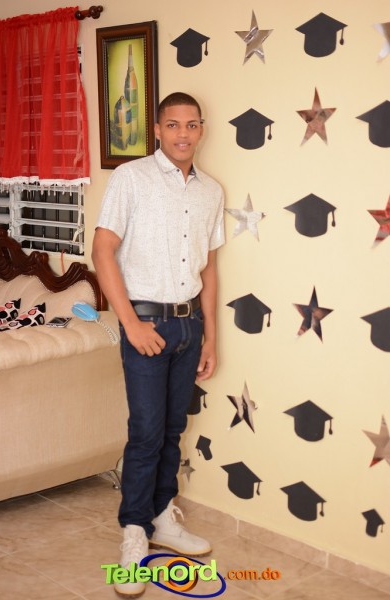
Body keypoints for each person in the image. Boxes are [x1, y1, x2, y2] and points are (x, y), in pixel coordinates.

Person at [92, 92, 225, 597]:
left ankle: (163, 516)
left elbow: (209, 269)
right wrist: (130, 324)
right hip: (145, 325)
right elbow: (102, 251)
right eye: (173, 125)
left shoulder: (212, 191)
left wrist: (210, 337)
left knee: (173, 430)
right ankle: (134, 530)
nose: (183, 134)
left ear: (201, 129)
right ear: (157, 130)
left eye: (191, 124)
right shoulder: (131, 178)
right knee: (146, 433)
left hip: (189, 328)